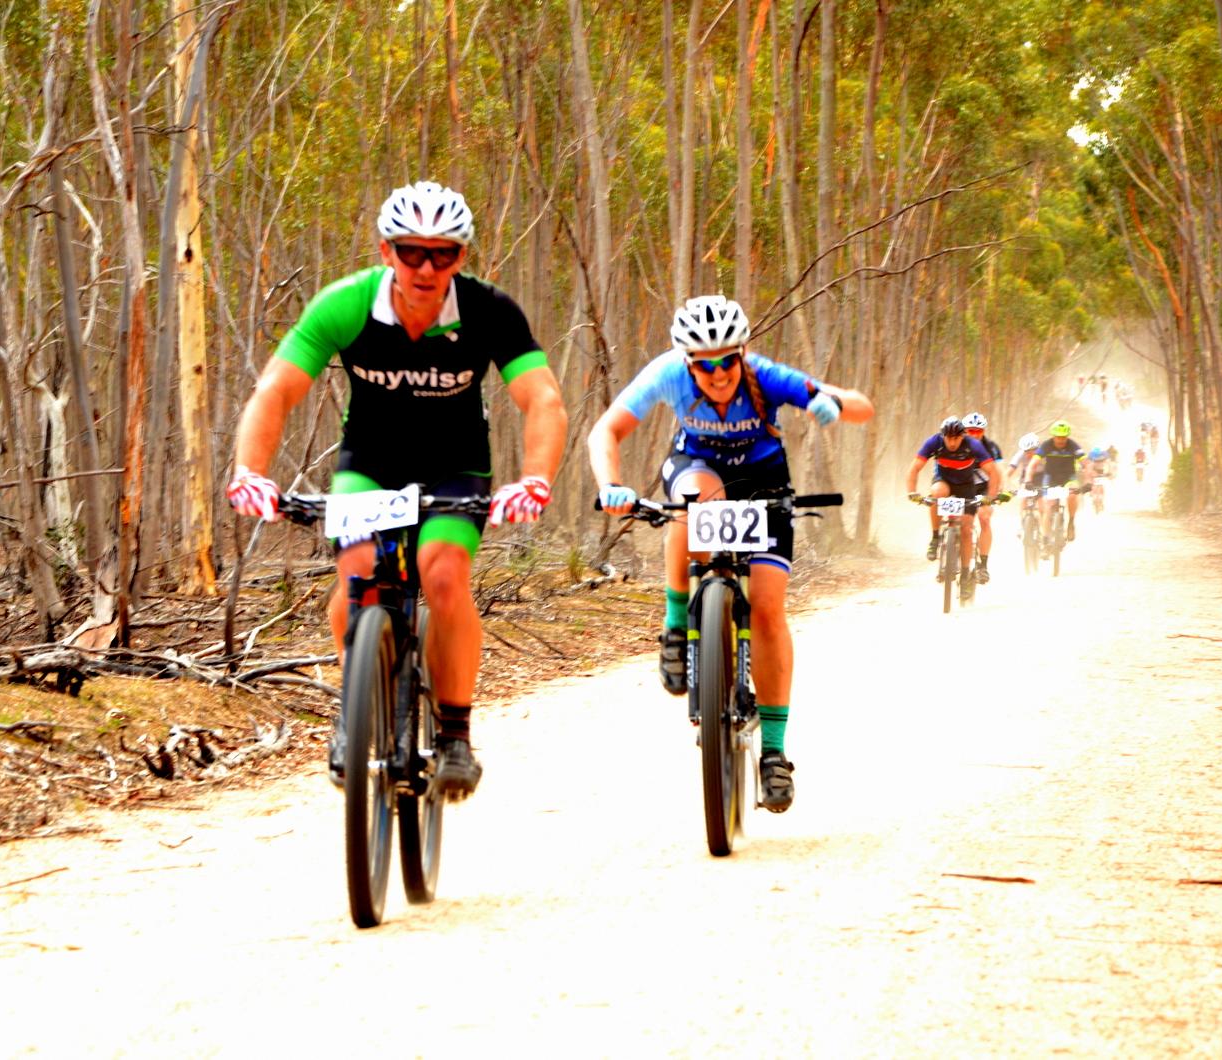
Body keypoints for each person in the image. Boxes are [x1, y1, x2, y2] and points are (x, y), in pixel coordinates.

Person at [227, 181, 568, 801]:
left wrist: (536, 479)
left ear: (461, 257)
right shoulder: (345, 305)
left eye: (444, 253)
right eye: (412, 252)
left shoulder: (489, 309)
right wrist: (251, 471)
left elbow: (541, 397)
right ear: (388, 251)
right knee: (358, 570)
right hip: (372, 462)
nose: (427, 267)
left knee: (442, 575)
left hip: (455, 464)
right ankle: (355, 710)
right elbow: (274, 391)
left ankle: (456, 733)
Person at [587, 295, 873, 813]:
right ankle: (677, 625)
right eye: (705, 364)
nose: (717, 374)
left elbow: (862, 406)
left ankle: (773, 754)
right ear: (687, 362)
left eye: (727, 361)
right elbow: (605, 430)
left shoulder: (767, 376)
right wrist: (611, 484)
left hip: (764, 479)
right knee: (695, 505)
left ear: (742, 354)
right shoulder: (667, 375)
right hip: (697, 465)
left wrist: (831, 403)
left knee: (767, 609)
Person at [906, 417, 1003, 597]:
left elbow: (993, 472)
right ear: (942, 436)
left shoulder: (973, 445)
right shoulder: (934, 442)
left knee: (966, 528)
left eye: (956, 438)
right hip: (944, 482)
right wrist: (912, 492)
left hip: (966, 487)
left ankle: (965, 575)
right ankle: (935, 538)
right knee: (936, 493)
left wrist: (989, 497)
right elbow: (914, 468)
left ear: (962, 436)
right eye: (948, 438)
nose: (952, 442)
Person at [1024, 420, 1093, 544]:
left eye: (1063, 438)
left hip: (1068, 477)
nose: (1061, 440)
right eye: (1058, 437)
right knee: (1048, 506)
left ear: (1067, 437)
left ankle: (1071, 521)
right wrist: (1028, 480)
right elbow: (1032, 464)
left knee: (1072, 495)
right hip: (1050, 477)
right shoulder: (1046, 445)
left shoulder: (1073, 446)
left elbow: (1086, 464)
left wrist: (1088, 482)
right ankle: (1045, 538)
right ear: (1053, 436)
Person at [961, 412, 1003, 584]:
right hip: (962, 485)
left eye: (979, 431)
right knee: (961, 521)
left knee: (984, 517)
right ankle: (949, 543)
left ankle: (983, 565)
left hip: (985, 487)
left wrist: (998, 492)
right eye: (971, 431)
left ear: (984, 431)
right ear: (964, 431)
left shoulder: (991, 447)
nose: (975, 434)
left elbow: (999, 471)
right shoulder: (956, 444)